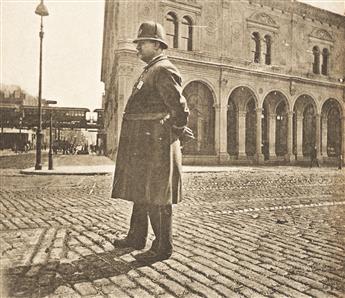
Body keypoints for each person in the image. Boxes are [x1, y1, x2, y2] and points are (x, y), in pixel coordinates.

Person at [111, 21, 192, 263]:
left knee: (158, 194)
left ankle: (163, 245)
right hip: (144, 143)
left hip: (156, 143)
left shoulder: (164, 69)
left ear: (156, 44)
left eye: (142, 43)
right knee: (141, 190)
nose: (137, 48)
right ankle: (137, 236)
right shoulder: (150, 69)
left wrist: (173, 133)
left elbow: (180, 108)